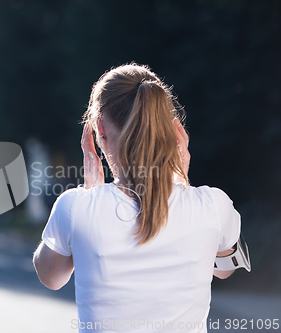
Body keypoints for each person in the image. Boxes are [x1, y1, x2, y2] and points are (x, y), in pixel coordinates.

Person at [33, 63, 243, 332]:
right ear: (169, 131)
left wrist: (89, 195)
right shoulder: (214, 206)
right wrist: (183, 185)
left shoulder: (75, 207)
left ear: (100, 130)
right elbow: (225, 269)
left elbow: (50, 277)